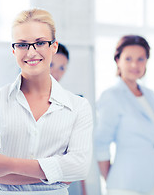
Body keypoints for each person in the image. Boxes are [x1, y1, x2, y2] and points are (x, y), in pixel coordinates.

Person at [0, 8, 93, 195]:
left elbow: (79, 168)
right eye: (22, 45)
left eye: (40, 43)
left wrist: (7, 164)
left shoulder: (78, 107)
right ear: (13, 50)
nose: (31, 52)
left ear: (54, 47)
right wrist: (56, 172)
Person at [94, 35, 154, 195]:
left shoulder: (150, 95)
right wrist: (111, 180)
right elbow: (101, 143)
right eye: (128, 59)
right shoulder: (112, 95)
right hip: (124, 184)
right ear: (118, 60)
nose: (135, 64)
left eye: (140, 59)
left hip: (152, 181)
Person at [50, 43, 87, 195]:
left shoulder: (72, 103)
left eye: (62, 67)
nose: (56, 72)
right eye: (51, 64)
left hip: (65, 179)